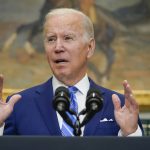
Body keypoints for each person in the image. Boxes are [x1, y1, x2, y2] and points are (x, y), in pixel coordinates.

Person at [0, 8, 143, 136]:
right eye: (51, 39)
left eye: (67, 38)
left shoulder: (119, 105)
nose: (58, 47)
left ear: (90, 47)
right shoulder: (19, 105)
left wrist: (130, 134)